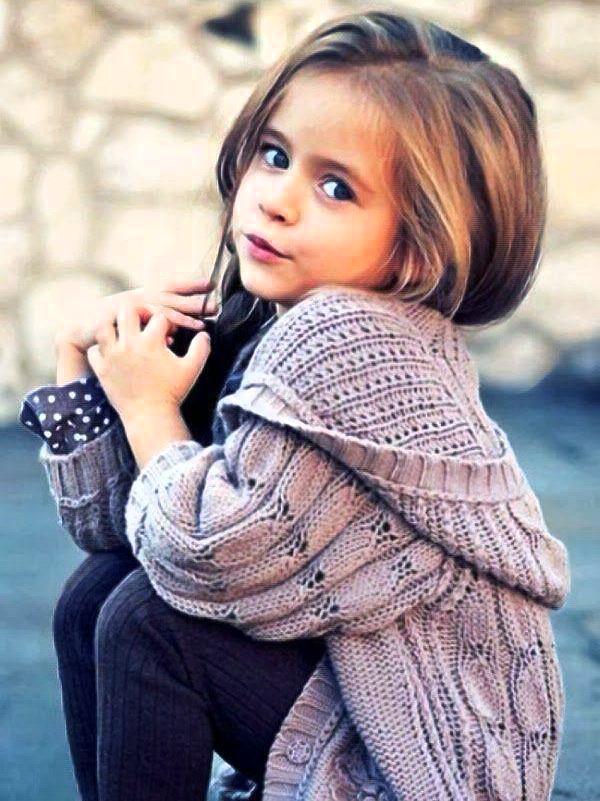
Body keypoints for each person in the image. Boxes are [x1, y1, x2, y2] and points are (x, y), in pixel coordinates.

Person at [19, 7, 571, 801]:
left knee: (144, 617)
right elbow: (123, 531)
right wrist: (87, 373)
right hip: (365, 704)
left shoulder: (349, 339)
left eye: (336, 187)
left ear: (416, 248)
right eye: (275, 154)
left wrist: (148, 410)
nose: (276, 199)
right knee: (99, 591)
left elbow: (201, 555)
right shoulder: (273, 320)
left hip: (426, 761)